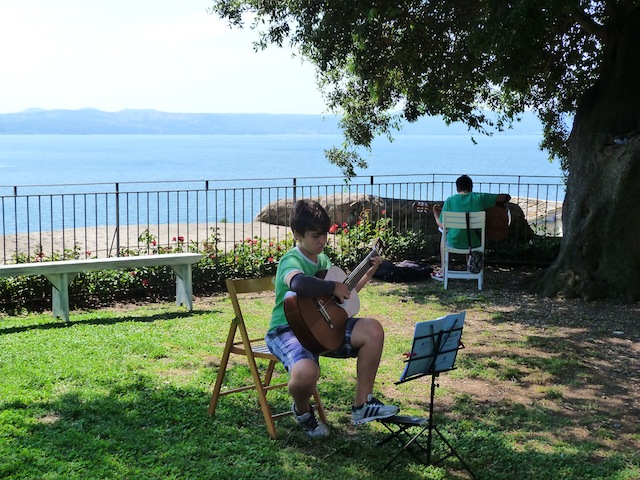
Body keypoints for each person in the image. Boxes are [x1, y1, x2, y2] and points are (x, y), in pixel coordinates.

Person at [265, 199, 399, 437]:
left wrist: (369, 271)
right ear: (297, 234)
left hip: (323, 328)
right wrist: (331, 286)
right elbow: (298, 283)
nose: (322, 240)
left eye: (325, 234)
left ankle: (363, 404)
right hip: (288, 329)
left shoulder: (324, 261)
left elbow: (345, 293)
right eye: (315, 235)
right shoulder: (292, 260)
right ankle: (303, 412)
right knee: (306, 373)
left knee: (372, 330)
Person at [431, 175, 511, 281]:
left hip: (454, 243)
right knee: (469, 231)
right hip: (475, 243)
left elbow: (442, 225)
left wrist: (435, 214)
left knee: (443, 232)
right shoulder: (480, 197)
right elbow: (506, 197)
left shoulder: (450, 200)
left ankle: (443, 269)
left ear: (457, 188)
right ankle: (470, 267)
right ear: (471, 187)